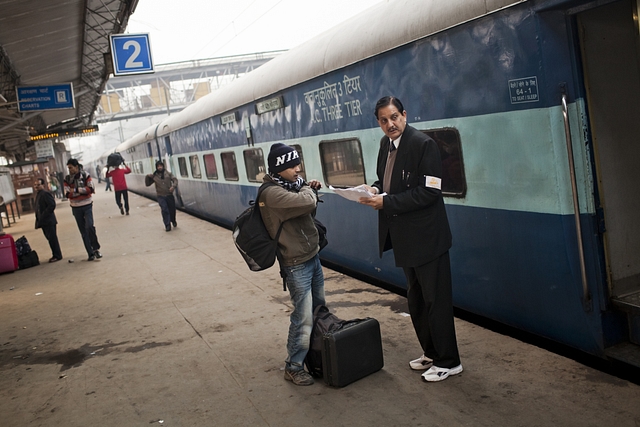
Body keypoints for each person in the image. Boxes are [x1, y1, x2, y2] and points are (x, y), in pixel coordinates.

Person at [359, 96, 462, 382]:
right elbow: (387, 182)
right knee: (416, 300)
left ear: (404, 115)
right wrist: (374, 188)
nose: (390, 124)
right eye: (383, 120)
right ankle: (432, 352)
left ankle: (449, 361)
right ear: (378, 123)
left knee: (436, 300)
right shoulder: (385, 145)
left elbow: (430, 192)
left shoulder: (423, 145)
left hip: (428, 239)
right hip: (405, 238)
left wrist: (387, 202)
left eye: (394, 117)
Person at [259, 143, 325, 386]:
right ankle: (294, 366)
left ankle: (318, 355)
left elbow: (307, 212)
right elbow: (307, 203)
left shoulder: (292, 187)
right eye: (292, 165)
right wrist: (309, 188)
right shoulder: (271, 193)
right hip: (296, 264)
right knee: (303, 317)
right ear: (279, 168)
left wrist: (307, 189)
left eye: (297, 164)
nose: (298, 169)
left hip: (312, 256)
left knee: (319, 310)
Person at [64, 159, 102, 261]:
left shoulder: (85, 175)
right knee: (83, 231)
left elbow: (91, 189)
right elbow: (67, 194)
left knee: (89, 226)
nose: (70, 170)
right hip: (76, 208)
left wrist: (75, 190)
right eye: (68, 168)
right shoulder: (67, 179)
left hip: (87, 205)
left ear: (76, 166)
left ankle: (95, 248)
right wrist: (82, 190)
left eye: (71, 167)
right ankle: (90, 253)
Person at [34, 178, 62, 262]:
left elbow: (52, 205)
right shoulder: (39, 194)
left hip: (48, 221)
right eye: (35, 185)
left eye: (38, 185)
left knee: (52, 239)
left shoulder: (45, 194)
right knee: (50, 238)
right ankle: (56, 254)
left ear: (43, 185)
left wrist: (44, 215)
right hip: (44, 221)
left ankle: (57, 255)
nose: (36, 187)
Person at [145, 160, 178, 231]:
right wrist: (147, 177)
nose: (159, 167)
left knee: (172, 210)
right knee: (164, 209)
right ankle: (167, 225)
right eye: (158, 166)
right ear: (156, 167)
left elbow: (175, 180)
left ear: (163, 166)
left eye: (161, 166)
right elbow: (147, 184)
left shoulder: (168, 174)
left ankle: (173, 220)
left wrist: (173, 186)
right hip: (161, 196)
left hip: (169, 195)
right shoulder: (154, 176)